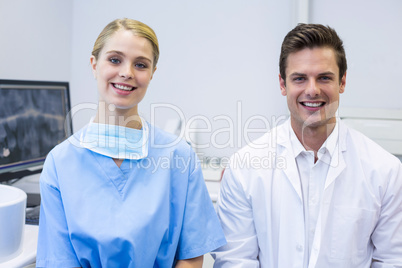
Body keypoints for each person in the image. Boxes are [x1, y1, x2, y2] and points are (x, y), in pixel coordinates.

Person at [36, 18, 226, 268]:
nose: (127, 72)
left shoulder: (179, 157)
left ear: (152, 73)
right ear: (94, 65)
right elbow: (58, 261)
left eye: (140, 64)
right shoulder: (60, 163)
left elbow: (191, 257)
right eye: (115, 60)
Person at [212, 23, 402, 267]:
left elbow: (392, 261)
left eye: (324, 78)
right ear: (283, 84)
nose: (312, 90)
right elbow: (235, 261)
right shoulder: (243, 169)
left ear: (342, 82)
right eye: (300, 78)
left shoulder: (384, 170)